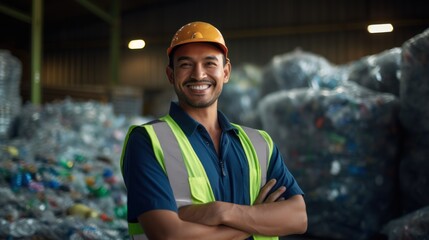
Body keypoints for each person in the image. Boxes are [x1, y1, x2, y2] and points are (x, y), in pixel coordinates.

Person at [120, 21, 307, 240]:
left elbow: (298, 217)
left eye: (210, 63)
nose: (198, 75)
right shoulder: (148, 141)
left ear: (226, 72)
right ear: (171, 75)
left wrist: (220, 211)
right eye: (185, 64)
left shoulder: (259, 143)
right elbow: (168, 235)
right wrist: (258, 220)